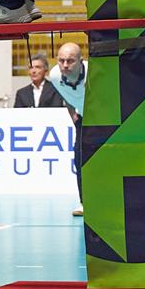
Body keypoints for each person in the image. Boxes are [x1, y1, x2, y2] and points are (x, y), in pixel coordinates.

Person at [47, 42, 87, 216]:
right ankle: (84, 203)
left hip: (105, 118)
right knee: (79, 159)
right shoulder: (55, 75)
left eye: (70, 61)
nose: (64, 65)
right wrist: (73, 114)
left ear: (80, 61)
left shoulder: (94, 73)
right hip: (82, 119)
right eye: (61, 60)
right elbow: (66, 96)